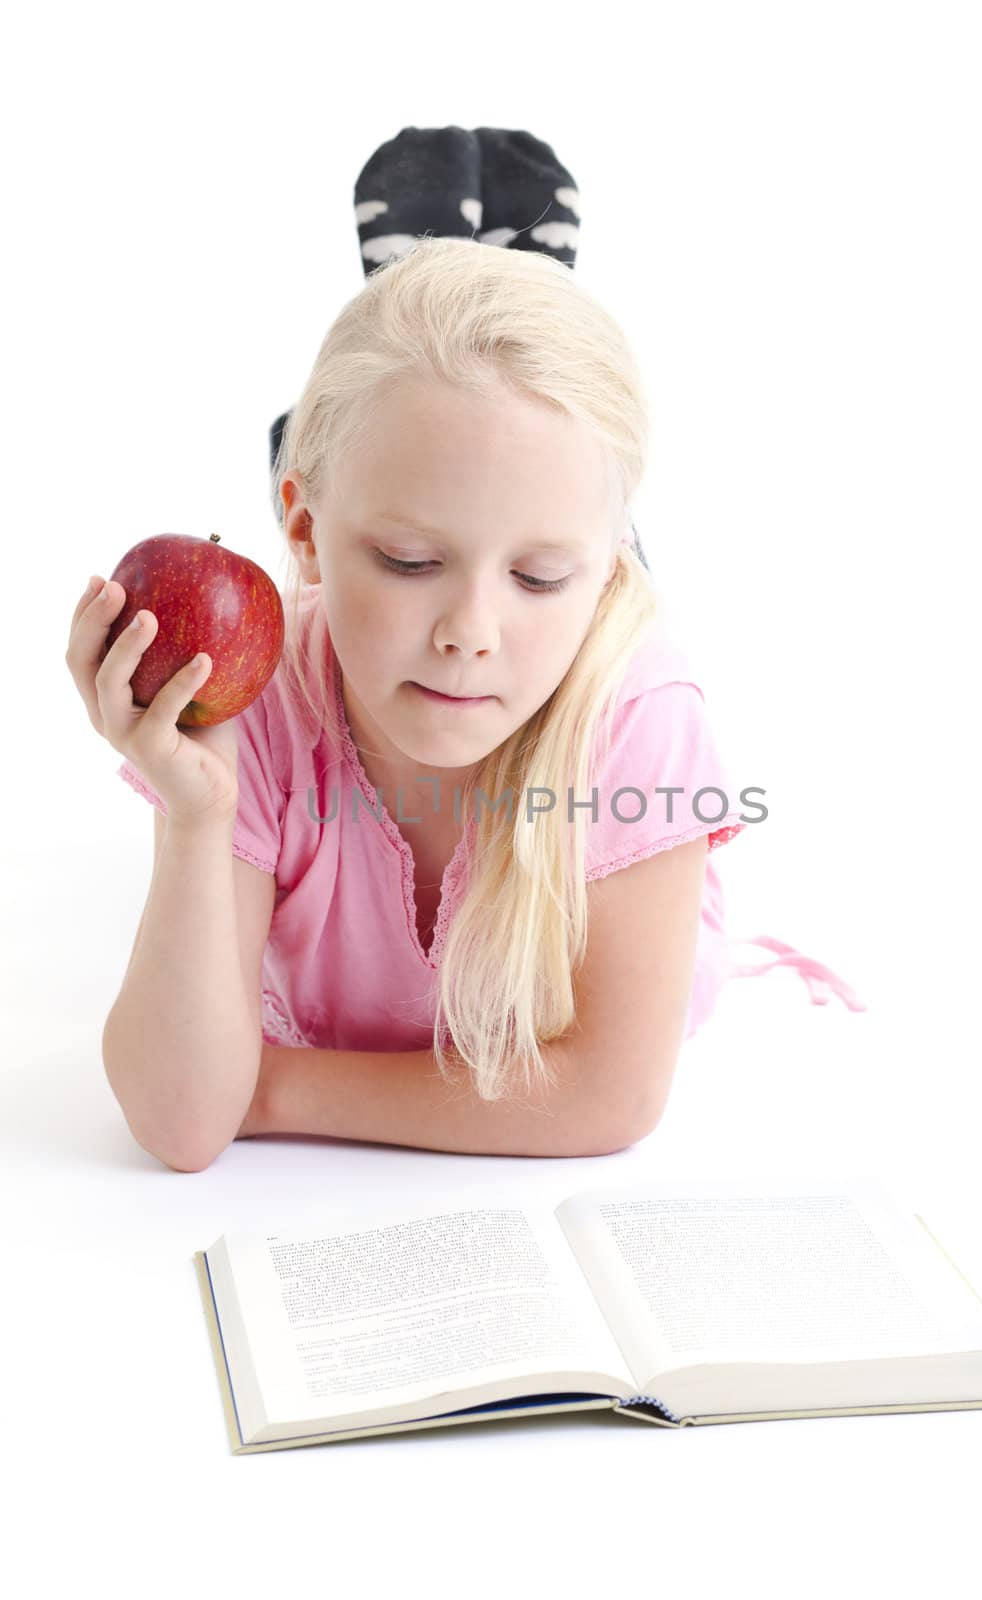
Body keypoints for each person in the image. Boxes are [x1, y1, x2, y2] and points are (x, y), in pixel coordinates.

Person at [67, 126, 864, 1171]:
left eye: (536, 577)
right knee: (475, 459)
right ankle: (451, 380)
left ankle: (486, 361)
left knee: (508, 480)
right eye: (404, 559)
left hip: (580, 666)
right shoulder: (255, 706)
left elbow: (610, 1095)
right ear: (299, 532)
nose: (468, 634)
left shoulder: (643, 710)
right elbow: (181, 1123)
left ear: (604, 570)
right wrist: (194, 815)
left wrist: (270, 1081)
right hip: (374, 588)